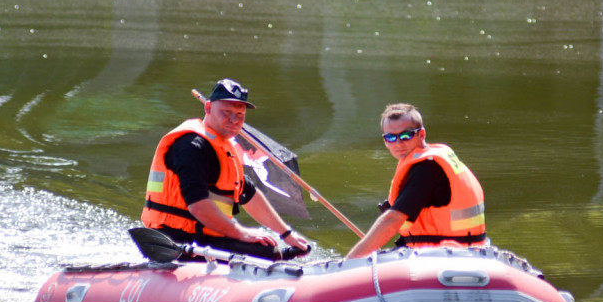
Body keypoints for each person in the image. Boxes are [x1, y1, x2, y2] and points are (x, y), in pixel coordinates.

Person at [141, 78, 311, 261]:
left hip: (206, 235)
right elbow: (198, 207)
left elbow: (249, 195)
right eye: (226, 112)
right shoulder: (191, 146)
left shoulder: (224, 146)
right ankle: (274, 262)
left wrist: (286, 234)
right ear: (208, 108)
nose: (234, 120)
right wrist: (243, 233)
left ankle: (278, 260)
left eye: (240, 115)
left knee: (268, 246)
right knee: (267, 251)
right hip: (177, 239)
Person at [346, 103, 487, 259]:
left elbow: (392, 220)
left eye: (405, 135)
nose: (398, 143)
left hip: (447, 257)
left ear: (421, 134)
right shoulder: (435, 157)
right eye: (390, 137)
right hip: (464, 252)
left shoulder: (427, 168)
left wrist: (348, 263)